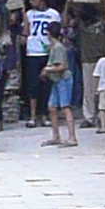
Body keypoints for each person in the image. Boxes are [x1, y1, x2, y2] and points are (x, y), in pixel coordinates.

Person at [40, 8, 79, 148]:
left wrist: (47, 69)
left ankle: (72, 137)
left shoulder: (58, 48)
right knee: (52, 107)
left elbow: (61, 66)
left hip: (63, 79)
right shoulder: (53, 47)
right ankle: (56, 136)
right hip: (56, 80)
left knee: (65, 107)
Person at [21, 0, 57, 124]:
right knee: (32, 85)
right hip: (32, 53)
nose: (30, 2)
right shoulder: (30, 14)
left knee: (46, 85)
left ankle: (44, 115)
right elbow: (26, 32)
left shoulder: (53, 14)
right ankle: (32, 116)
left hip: (47, 53)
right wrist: (24, 16)